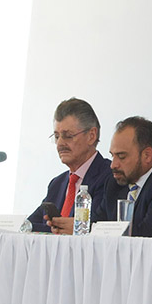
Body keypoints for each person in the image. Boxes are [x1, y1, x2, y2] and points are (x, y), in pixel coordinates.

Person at [32, 98, 114, 234]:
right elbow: (30, 224)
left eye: (68, 136)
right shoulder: (56, 184)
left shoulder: (109, 177)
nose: (60, 144)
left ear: (91, 136)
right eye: (57, 136)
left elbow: (102, 228)